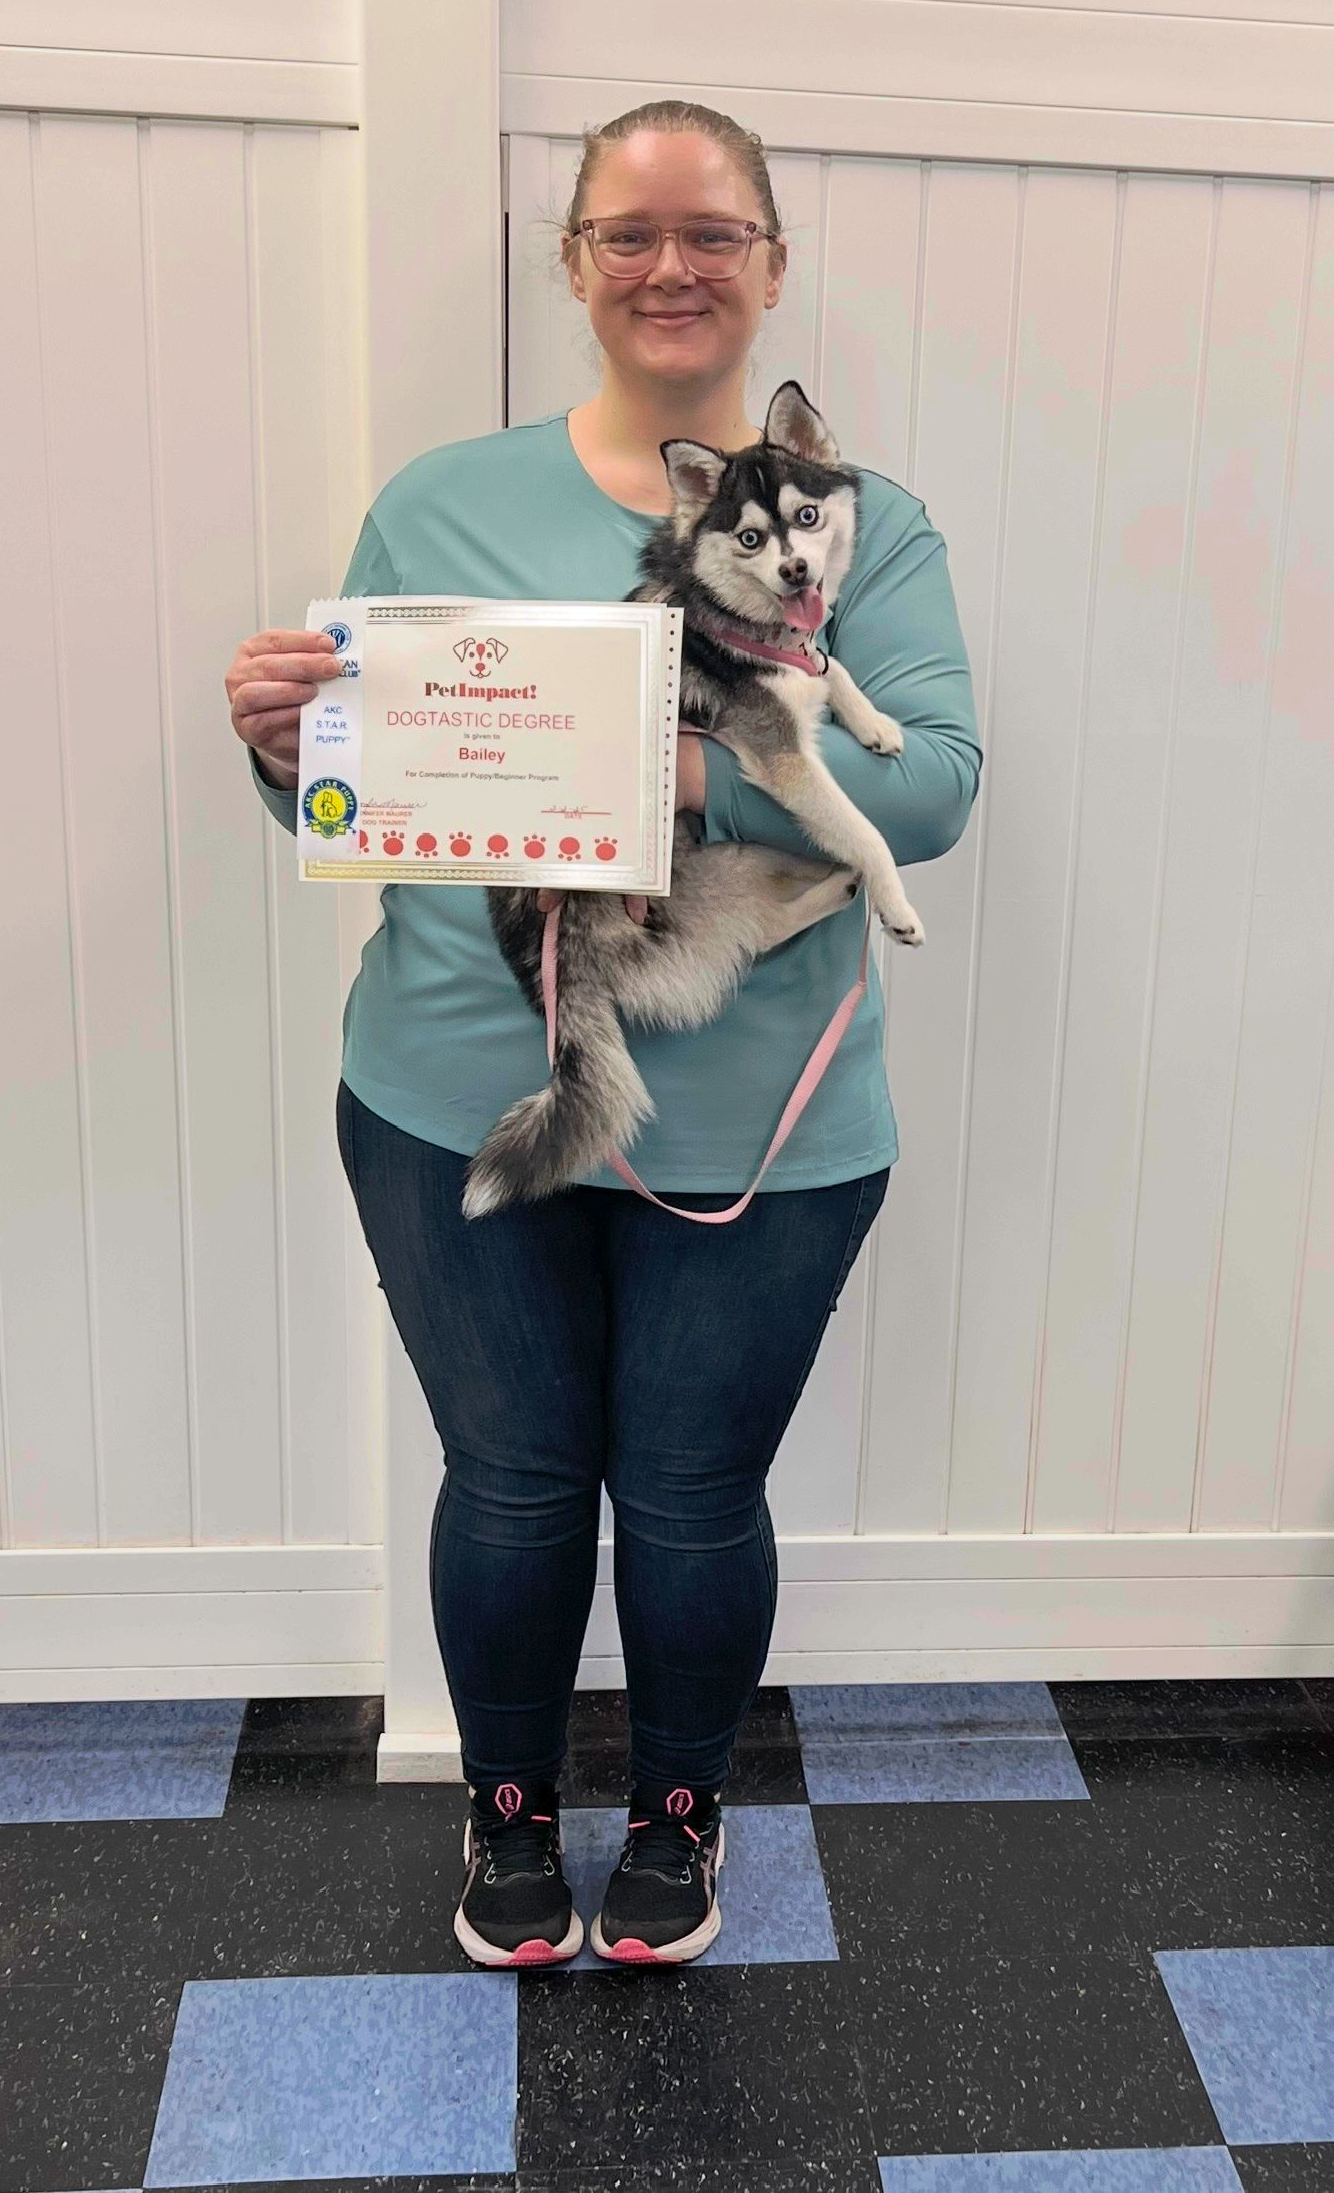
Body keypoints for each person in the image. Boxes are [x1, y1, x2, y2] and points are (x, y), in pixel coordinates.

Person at [225, 100, 981, 1969]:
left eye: (711, 231)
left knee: (691, 1495)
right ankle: (501, 1811)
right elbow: (375, 788)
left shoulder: (857, 526)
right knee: (510, 1479)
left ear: (770, 263)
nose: (669, 264)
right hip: (447, 1077)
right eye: (626, 232)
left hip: (765, 1128)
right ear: (573, 263)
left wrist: (677, 769)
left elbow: (943, 786)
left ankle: (673, 1810)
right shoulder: (442, 497)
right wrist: (285, 751)